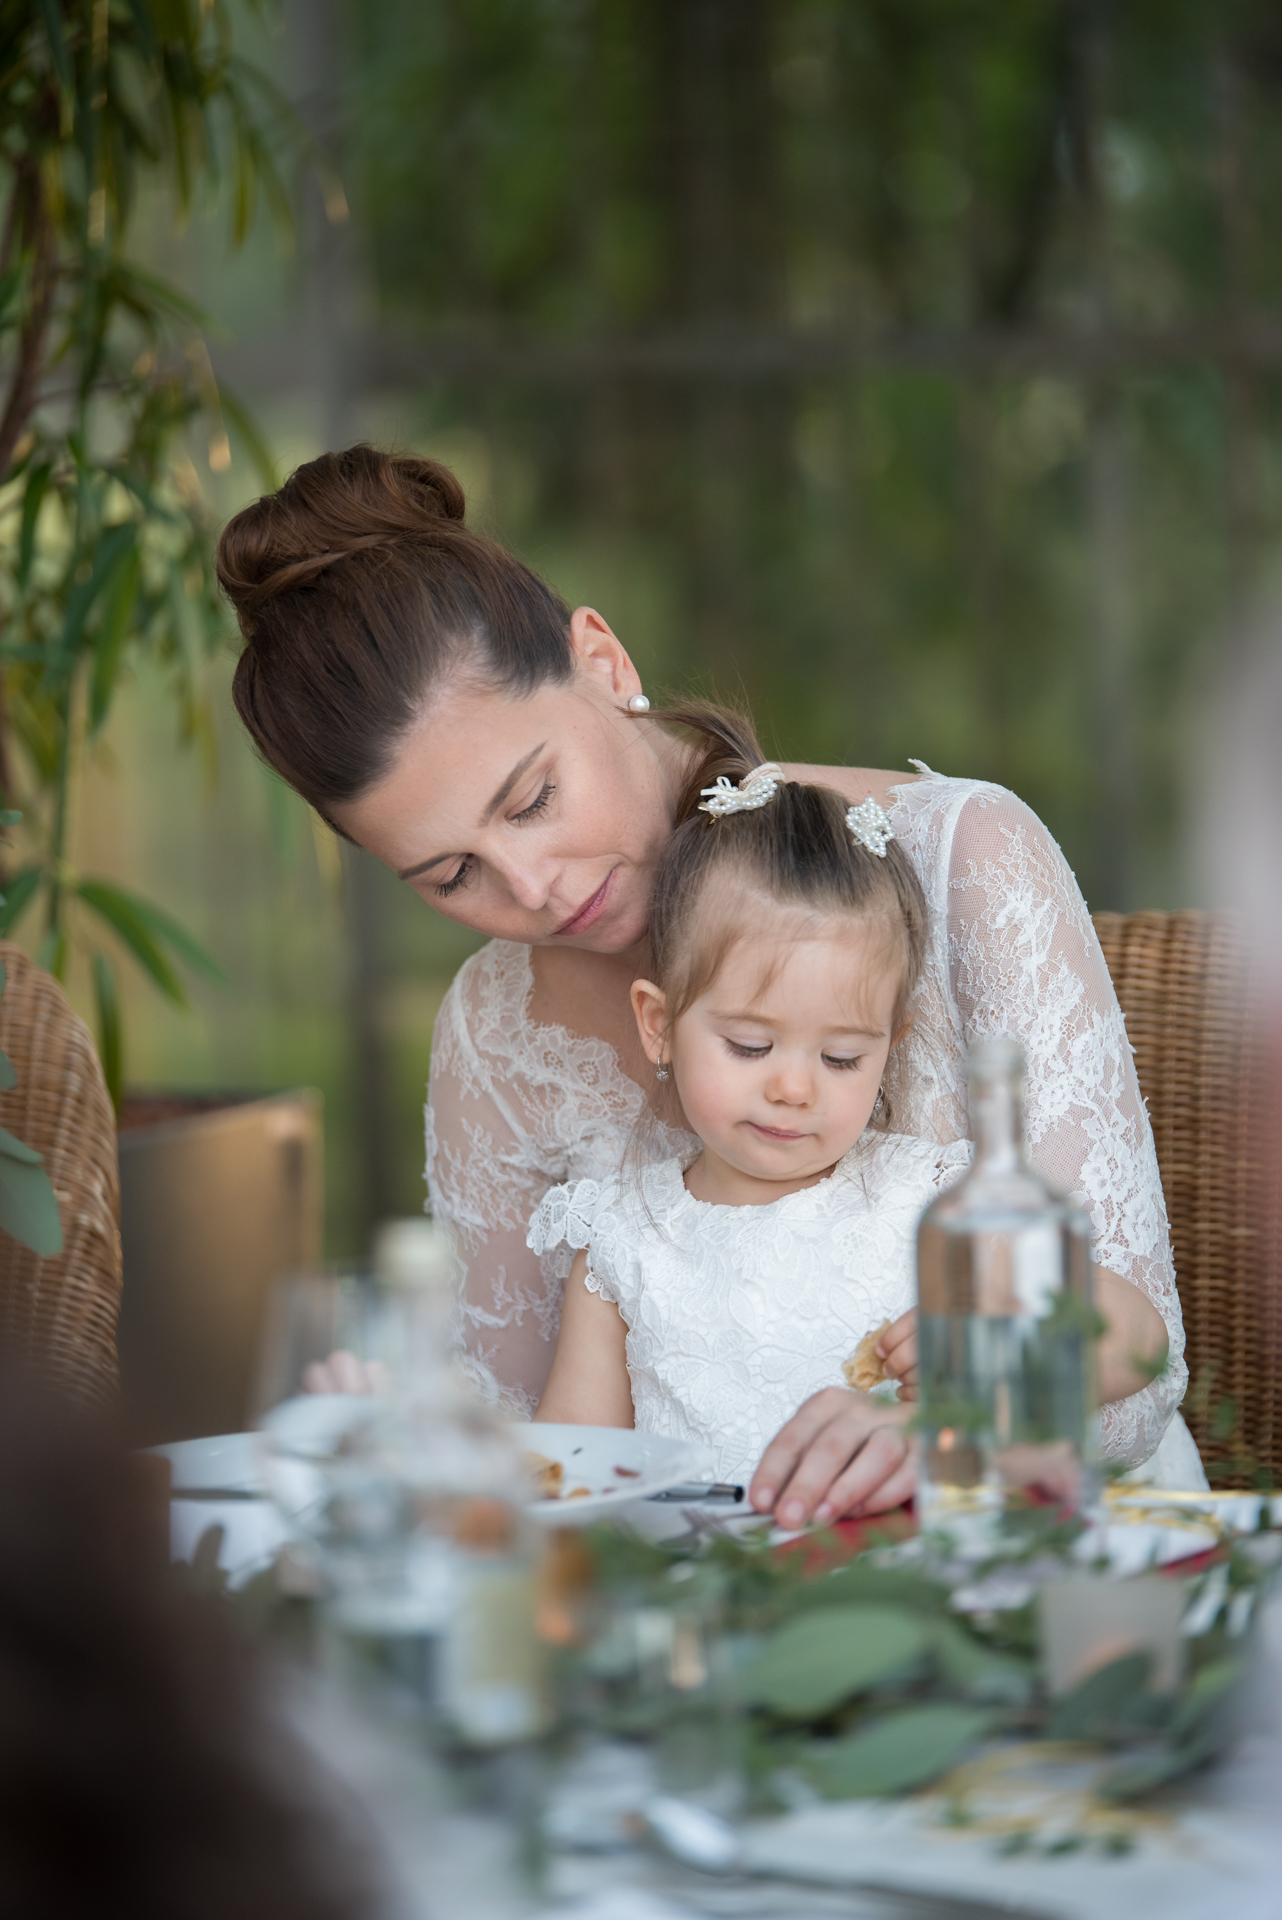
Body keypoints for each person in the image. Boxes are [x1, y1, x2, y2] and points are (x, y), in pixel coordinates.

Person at [217, 444, 1195, 1530]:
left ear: (602, 660)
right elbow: (535, 1449)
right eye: (451, 876)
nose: (532, 889)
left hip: (1033, 1548)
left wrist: (947, 1429)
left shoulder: (964, 860)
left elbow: (1139, 1383)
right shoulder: (494, 1031)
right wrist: (404, 1436)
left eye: (532, 800)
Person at [527, 717, 1192, 1508]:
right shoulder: (621, 1241)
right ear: (659, 1024)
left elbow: (1139, 1339)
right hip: (718, 1577)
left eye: (842, 1058)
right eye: (749, 1046)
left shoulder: (933, 1205)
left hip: (906, 1566)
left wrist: (978, 1384)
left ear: (889, 1046)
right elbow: (570, 1477)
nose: (794, 1089)